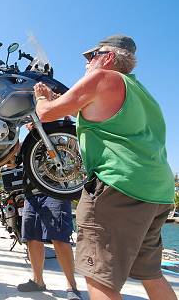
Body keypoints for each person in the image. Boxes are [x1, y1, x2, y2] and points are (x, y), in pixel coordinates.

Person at [33, 35, 176, 299]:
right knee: (151, 275)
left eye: (91, 56)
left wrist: (42, 98)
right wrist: (60, 100)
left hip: (118, 188)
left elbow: (47, 113)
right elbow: (85, 109)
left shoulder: (102, 78)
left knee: (100, 280)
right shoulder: (143, 94)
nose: (87, 64)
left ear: (108, 57)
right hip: (157, 194)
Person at [17, 192, 82, 300]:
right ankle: (38, 282)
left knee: (59, 237)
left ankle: (72, 287)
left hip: (55, 190)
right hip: (31, 193)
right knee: (32, 237)